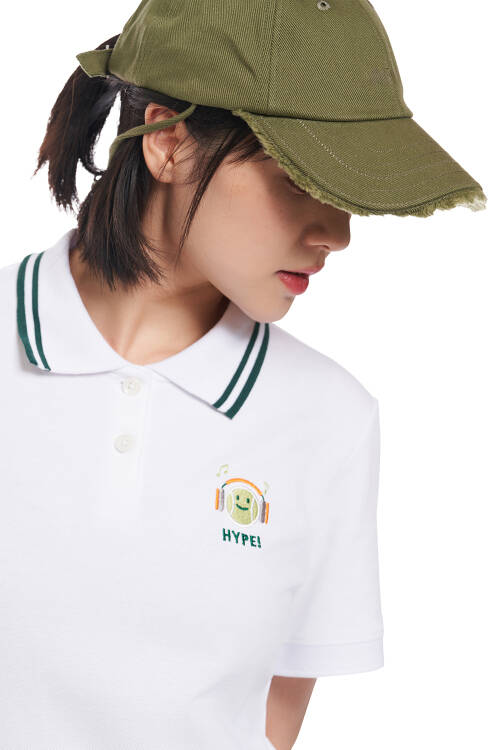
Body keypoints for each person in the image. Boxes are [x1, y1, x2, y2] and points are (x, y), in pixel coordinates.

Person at [0, 2, 487, 749]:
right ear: (168, 143)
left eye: (345, 193)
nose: (338, 234)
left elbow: (270, 724)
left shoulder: (329, 420)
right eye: (296, 179)